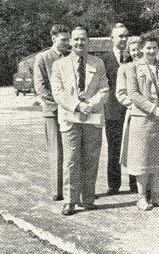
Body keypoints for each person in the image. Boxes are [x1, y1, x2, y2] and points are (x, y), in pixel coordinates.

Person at [50, 27, 109, 216]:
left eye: (83, 39)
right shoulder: (59, 65)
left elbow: (104, 89)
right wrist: (77, 105)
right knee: (71, 160)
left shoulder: (97, 63)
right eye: (76, 40)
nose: (79, 43)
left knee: (91, 158)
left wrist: (90, 104)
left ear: (88, 41)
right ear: (70, 42)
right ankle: (70, 200)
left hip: (92, 117)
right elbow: (57, 92)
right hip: (70, 117)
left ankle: (88, 198)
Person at [125, 35, 159, 211]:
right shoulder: (132, 67)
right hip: (143, 119)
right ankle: (141, 197)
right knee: (142, 159)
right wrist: (152, 108)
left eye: (154, 48)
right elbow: (133, 93)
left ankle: (156, 196)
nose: (151, 51)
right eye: (147, 48)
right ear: (141, 49)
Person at [33, 24, 70, 202]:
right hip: (53, 112)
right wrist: (61, 104)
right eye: (63, 40)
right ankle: (57, 190)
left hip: (71, 111)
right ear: (53, 39)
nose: (67, 43)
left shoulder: (70, 57)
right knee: (57, 151)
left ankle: (72, 189)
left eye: (68, 39)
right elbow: (41, 88)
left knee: (72, 151)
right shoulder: (43, 58)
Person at [100, 23, 136, 195]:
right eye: (120, 36)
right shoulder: (104, 61)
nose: (123, 39)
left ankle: (135, 184)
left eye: (125, 36)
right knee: (114, 149)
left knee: (133, 147)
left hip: (132, 111)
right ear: (112, 38)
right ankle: (114, 185)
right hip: (113, 111)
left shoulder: (133, 58)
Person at [117, 36, 144, 195]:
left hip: (152, 114)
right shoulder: (124, 68)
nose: (137, 52)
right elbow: (120, 94)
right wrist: (136, 105)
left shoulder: (153, 66)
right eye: (133, 50)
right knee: (136, 152)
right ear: (129, 52)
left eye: (139, 48)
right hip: (135, 114)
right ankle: (137, 188)